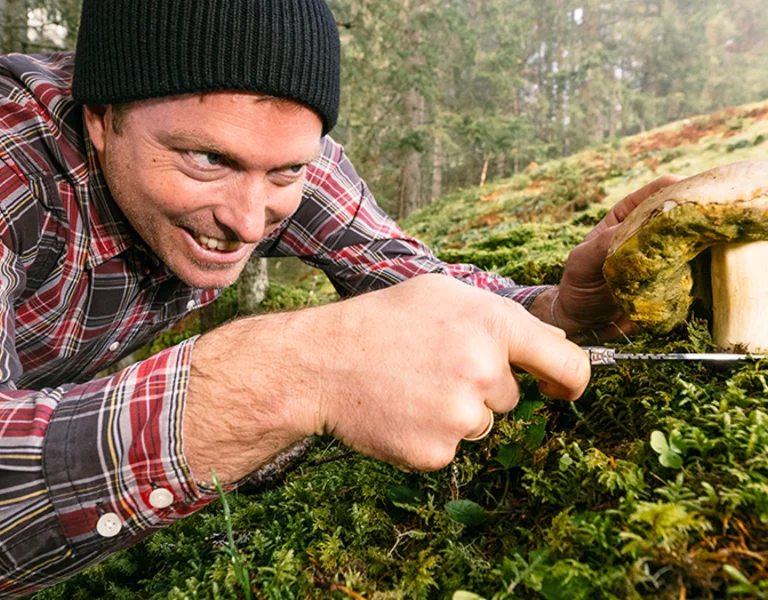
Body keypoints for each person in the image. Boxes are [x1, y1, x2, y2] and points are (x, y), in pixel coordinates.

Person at [0, 0, 679, 596]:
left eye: (287, 170)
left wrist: (561, 312)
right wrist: (293, 376)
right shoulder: (13, 174)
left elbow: (407, 273)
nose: (246, 219)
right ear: (99, 118)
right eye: (207, 160)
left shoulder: (282, 156)